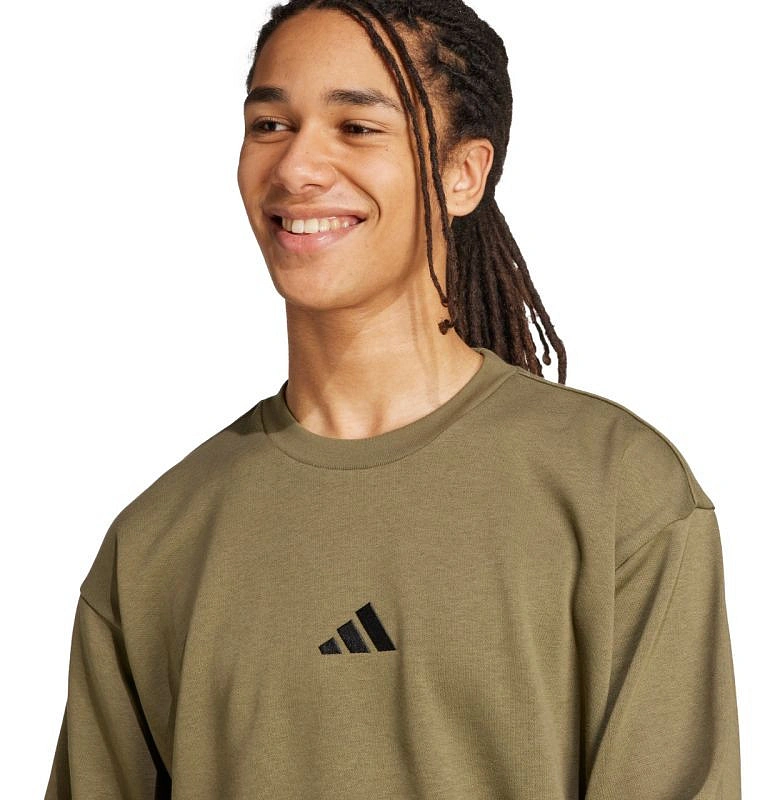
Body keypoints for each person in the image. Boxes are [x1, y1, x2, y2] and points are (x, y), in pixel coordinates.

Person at [45, 1, 741, 797]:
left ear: (462, 174)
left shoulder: (617, 493)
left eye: (357, 127)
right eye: (270, 125)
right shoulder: (154, 545)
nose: (296, 166)